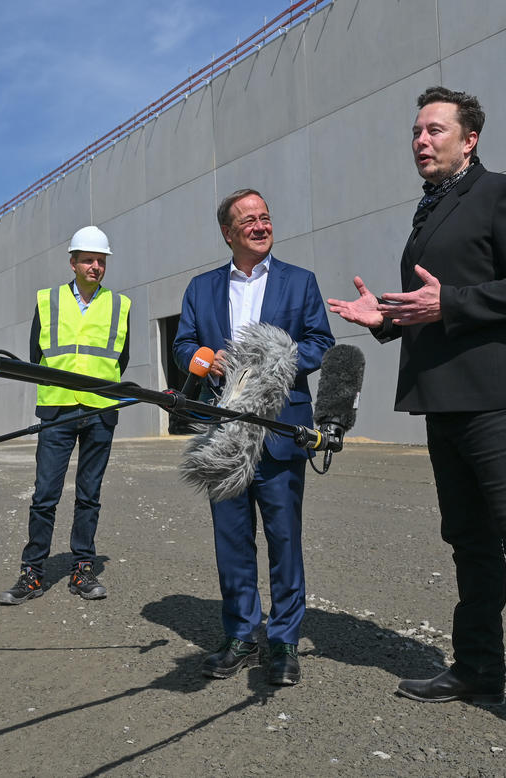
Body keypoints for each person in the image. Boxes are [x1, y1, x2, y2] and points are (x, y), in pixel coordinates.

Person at [327, 86, 506, 766]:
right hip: (446, 401)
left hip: (500, 399)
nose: (421, 140)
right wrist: (386, 321)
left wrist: (451, 300)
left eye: (435, 130)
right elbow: (430, 308)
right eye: (416, 131)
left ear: (469, 138)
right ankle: (479, 667)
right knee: (469, 543)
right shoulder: (431, 211)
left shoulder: (504, 193)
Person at [173, 189, 334, 686]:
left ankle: (284, 641)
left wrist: (277, 364)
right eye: (249, 220)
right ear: (228, 232)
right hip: (224, 434)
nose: (261, 225)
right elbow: (183, 345)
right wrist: (204, 357)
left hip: (281, 427)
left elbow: (320, 342)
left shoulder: (299, 282)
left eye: (266, 216)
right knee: (232, 541)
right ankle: (241, 634)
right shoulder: (201, 289)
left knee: (285, 540)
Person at [0, 226, 130, 605]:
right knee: (45, 495)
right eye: (88, 260)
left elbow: (120, 356)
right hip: (57, 408)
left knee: (89, 496)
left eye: (100, 261)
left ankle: (83, 569)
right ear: (72, 263)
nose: (95, 266)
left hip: (100, 410)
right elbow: (35, 356)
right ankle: (33, 572)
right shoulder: (47, 300)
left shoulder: (120, 305)